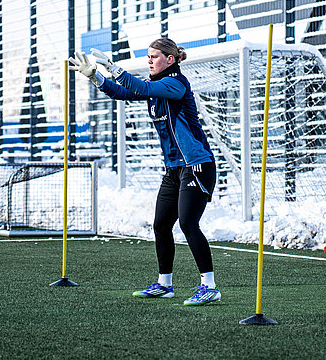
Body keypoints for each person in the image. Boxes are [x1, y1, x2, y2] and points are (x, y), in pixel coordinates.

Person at [69, 38, 220, 306]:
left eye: (154, 56)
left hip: (197, 165)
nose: (149, 61)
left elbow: (137, 85)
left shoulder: (176, 83)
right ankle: (165, 285)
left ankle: (209, 286)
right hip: (174, 169)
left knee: (187, 223)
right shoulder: (156, 88)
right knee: (161, 225)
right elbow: (122, 92)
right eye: (148, 56)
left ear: (170, 60)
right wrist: (95, 76)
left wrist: (113, 68)